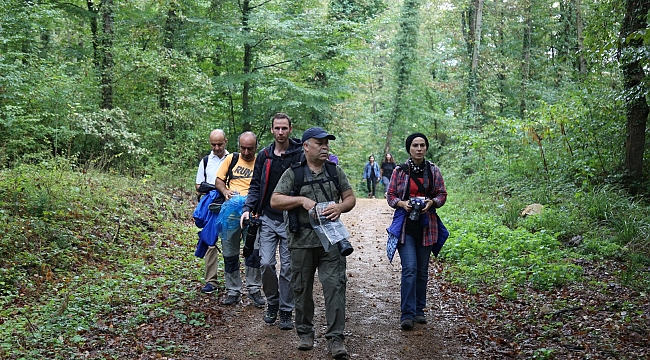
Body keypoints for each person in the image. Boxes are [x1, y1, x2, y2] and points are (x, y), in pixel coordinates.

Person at [271, 127, 356, 358]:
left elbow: (350, 198)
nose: (325, 146)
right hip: (301, 242)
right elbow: (275, 200)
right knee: (301, 289)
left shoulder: (334, 171)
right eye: (319, 143)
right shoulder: (294, 173)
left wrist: (339, 207)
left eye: (326, 143)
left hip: (332, 241)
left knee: (335, 288)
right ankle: (305, 334)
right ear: (306, 146)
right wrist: (301, 200)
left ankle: (336, 339)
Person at [240, 113, 303, 330]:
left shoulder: (299, 154)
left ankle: (286, 309)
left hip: (290, 219)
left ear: (290, 129)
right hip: (266, 217)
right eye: (277, 128)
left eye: (284, 128)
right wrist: (248, 209)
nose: (281, 132)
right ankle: (273, 302)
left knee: (287, 267)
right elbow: (255, 185)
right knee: (266, 263)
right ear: (271, 130)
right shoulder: (264, 155)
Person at [386, 133, 447, 331]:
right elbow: (391, 195)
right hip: (406, 226)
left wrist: (432, 202)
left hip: (427, 225)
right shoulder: (400, 171)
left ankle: (419, 310)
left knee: (422, 272)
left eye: (422, 145)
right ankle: (407, 314)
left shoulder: (433, 171)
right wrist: (402, 203)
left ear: (426, 148)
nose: (419, 148)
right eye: (415, 145)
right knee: (410, 269)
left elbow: (442, 193)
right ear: (409, 148)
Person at [215, 131, 266, 307]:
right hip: (230, 213)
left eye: (249, 149)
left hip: (253, 213)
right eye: (243, 148)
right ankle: (233, 291)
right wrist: (225, 191)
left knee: (254, 252)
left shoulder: (261, 161)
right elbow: (219, 180)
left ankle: (254, 289)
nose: (246, 152)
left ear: (256, 147)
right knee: (230, 253)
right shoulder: (231, 159)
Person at [195, 129, 229, 294]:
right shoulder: (206, 161)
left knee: (230, 242)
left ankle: (232, 282)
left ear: (226, 142)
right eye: (213, 144)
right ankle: (211, 281)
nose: (216, 147)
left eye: (219, 144)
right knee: (210, 242)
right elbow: (198, 185)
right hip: (211, 207)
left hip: (230, 205)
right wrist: (211, 188)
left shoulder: (233, 159)